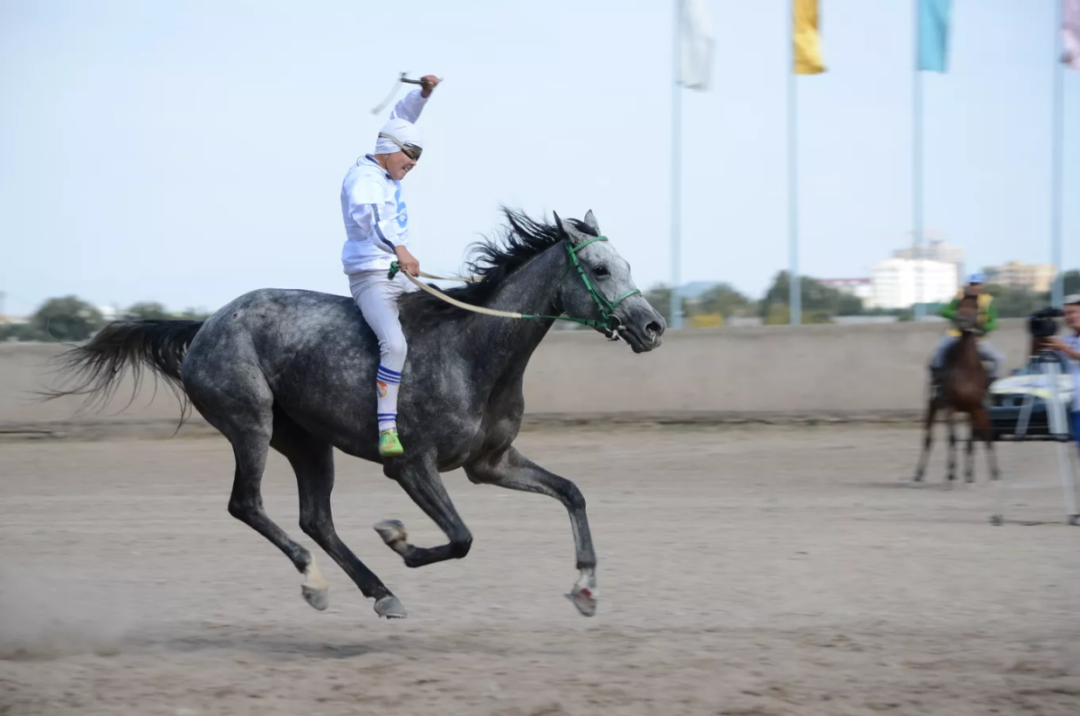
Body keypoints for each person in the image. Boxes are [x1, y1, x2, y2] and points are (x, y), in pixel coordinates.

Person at [340, 74, 439, 457]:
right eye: (409, 156)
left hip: (398, 271)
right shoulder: (364, 179)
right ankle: (386, 429)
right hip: (371, 277)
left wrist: (422, 94)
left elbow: (401, 117)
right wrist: (401, 250)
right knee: (394, 344)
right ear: (387, 149)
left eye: (416, 158)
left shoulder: (386, 165)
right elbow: (371, 221)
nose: (412, 164)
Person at [929, 273, 1005, 393]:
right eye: (973, 285)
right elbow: (944, 311)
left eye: (977, 285)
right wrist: (958, 316)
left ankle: (990, 385)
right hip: (956, 334)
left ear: (982, 286)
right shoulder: (959, 297)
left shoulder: (988, 301)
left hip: (977, 337)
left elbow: (993, 322)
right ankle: (938, 383)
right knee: (939, 351)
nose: (975, 287)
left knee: (999, 358)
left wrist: (983, 327)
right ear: (969, 286)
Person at [1046, 294, 1080, 447]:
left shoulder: (1065, 344)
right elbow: (1047, 357)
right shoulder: (1067, 340)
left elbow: (1067, 352)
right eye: (1067, 313)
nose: (1070, 317)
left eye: (1074, 312)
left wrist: (1064, 349)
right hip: (1075, 404)